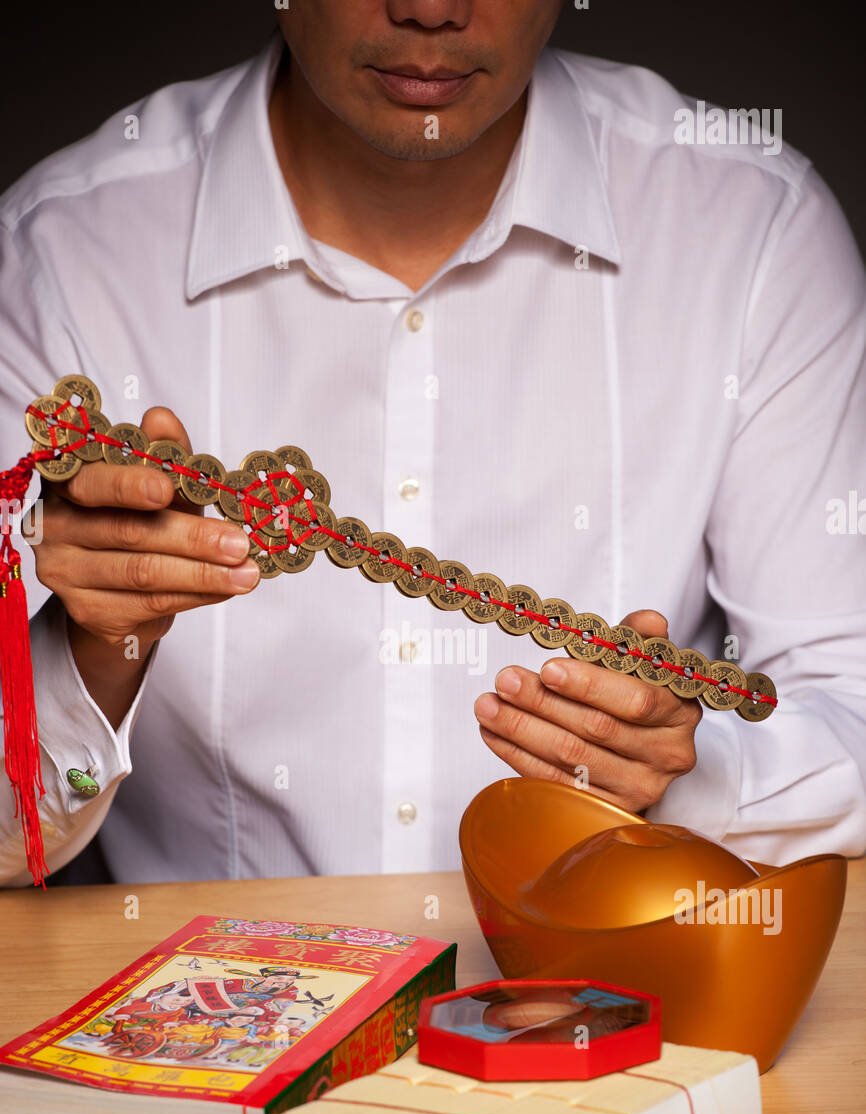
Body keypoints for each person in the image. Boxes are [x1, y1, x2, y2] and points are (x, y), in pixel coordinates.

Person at [0, 0, 864, 889]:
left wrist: (687, 778)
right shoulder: (57, 257)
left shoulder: (754, 227)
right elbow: (5, 842)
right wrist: (94, 651)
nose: (431, 9)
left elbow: (853, 712)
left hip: (618, 1004)